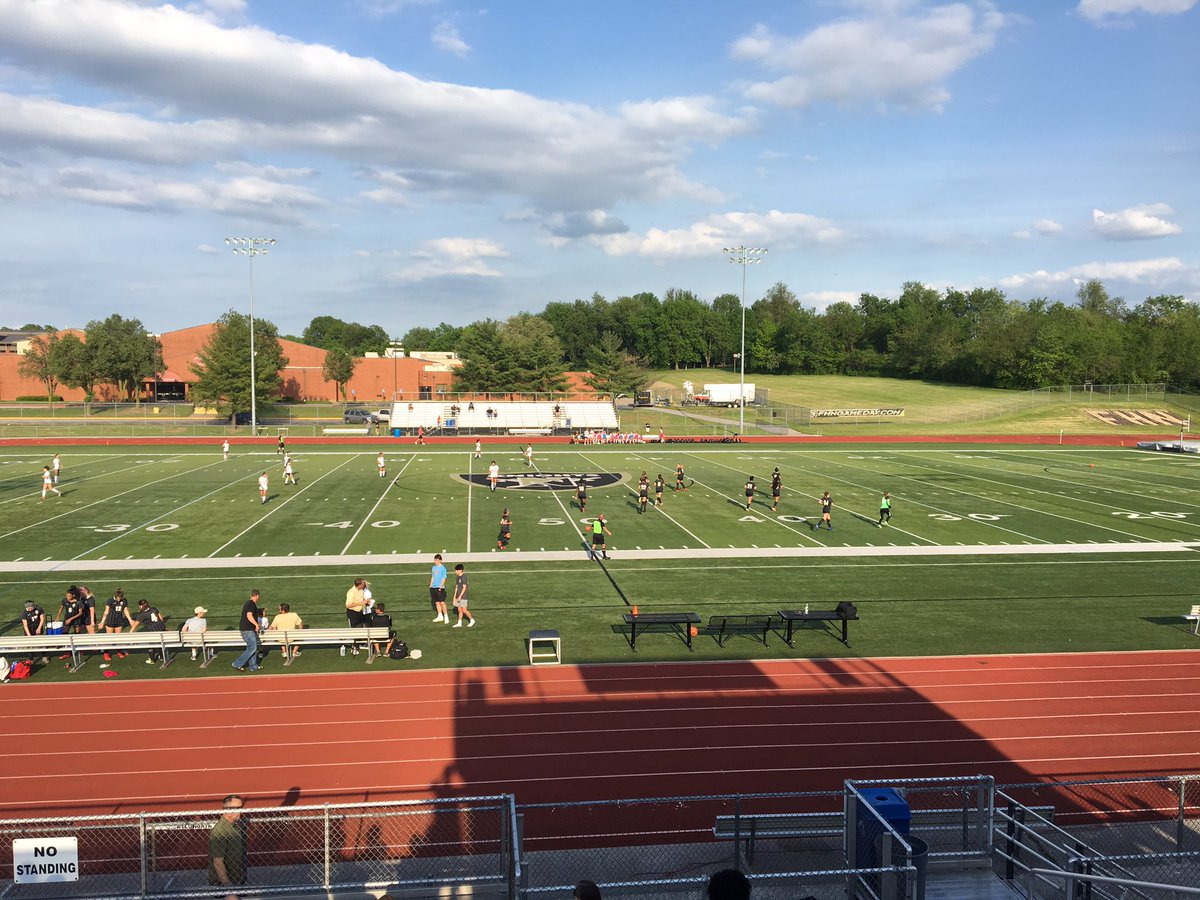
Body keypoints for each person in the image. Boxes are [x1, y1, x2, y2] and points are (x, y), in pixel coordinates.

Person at [208, 794, 248, 897]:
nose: (240, 811)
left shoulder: (235, 826)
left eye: (241, 808)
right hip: (224, 886)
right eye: (237, 808)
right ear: (227, 809)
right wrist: (229, 888)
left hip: (236, 883)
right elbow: (217, 862)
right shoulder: (220, 831)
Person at [232, 590, 262, 672]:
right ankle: (237, 663)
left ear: (250, 595)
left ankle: (253, 666)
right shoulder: (251, 604)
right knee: (252, 648)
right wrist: (256, 624)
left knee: (251, 647)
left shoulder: (248, 603)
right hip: (247, 629)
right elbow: (249, 615)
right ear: (257, 596)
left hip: (246, 629)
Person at [100, 589, 134, 661]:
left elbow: (125, 610)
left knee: (118, 638)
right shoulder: (110, 601)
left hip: (119, 621)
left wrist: (130, 620)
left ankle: (118, 651)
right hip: (110, 621)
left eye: (120, 598)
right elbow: (106, 612)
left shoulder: (124, 600)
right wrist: (102, 622)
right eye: (117, 598)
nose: (119, 600)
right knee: (109, 638)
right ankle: (106, 653)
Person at [131, 598, 167, 664]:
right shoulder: (154, 609)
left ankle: (152, 660)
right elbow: (161, 618)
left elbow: (135, 624)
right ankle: (162, 657)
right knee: (160, 642)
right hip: (161, 627)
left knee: (152, 645)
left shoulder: (142, 614)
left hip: (153, 630)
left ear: (141, 606)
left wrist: (130, 633)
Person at [345, 578, 367, 654]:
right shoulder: (351, 592)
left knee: (360, 628)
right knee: (354, 630)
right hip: (353, 613)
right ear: (359, 585)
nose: (364, 584)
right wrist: (360, 603)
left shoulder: (360, 590)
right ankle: (353, 647)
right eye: (363, 583)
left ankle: (360, 643)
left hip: (360, 612)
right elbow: (348, 605)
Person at [430, 554, 449, 622]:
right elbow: (433, 576)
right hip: (433, 587)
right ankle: (440, 615)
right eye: (435, 560)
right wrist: (430, 585)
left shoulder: (443, 568)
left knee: (442, 602)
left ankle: (446, 616)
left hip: (439, 587)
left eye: (437, 560)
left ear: (440, 560)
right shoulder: (433, 567)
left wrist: (441, 587)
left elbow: (444, 578)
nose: (435, 561)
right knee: (437, 602)